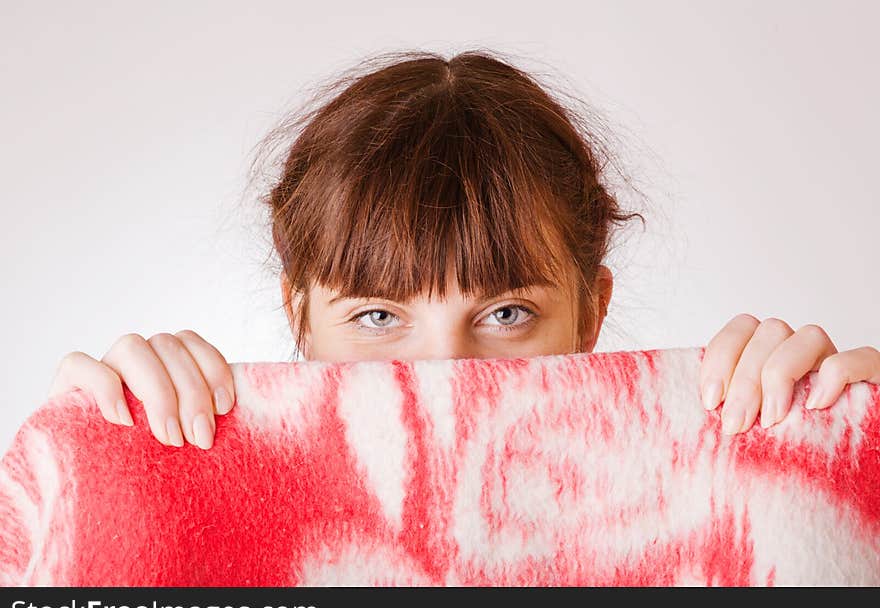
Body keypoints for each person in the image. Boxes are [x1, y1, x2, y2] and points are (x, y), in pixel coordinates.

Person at [47, 50, 880, 451]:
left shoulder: (716, 500)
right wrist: (91, 487)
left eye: (507, 312)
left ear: (593, 311)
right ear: (295, 311)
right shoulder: (197, 510)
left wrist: (836, 471)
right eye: (377, 314)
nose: (447, 372)